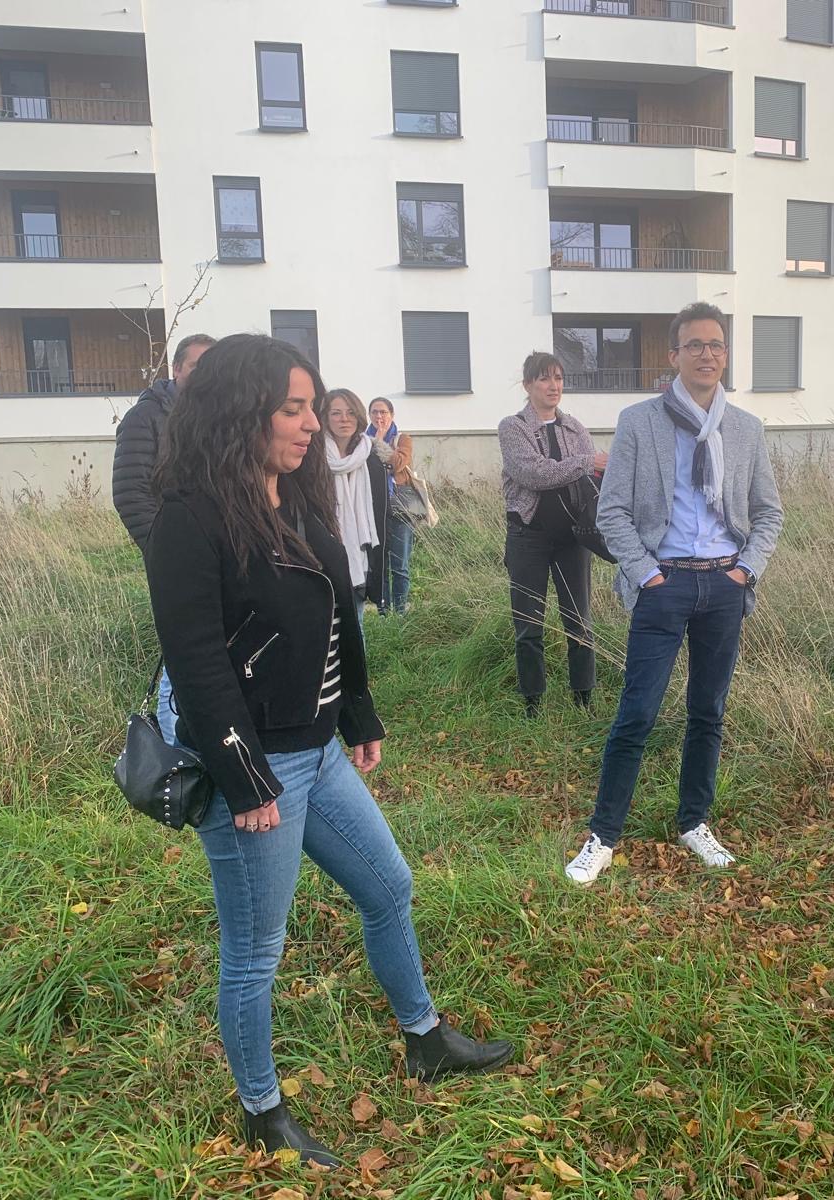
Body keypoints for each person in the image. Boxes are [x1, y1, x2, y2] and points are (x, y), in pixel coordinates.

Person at [142, 334, 513, 1167]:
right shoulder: (189, 517)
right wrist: (242, 778)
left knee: (389, 886)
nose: (313, 423)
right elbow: (197, 662)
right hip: (259, 771)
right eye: (294, 408)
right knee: (256, 951)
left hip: (320, 753)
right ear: (243, 412)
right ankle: (263, 1113)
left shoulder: (295, 497)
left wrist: (360, 713)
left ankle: (424, 1039)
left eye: (312, 407)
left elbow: (338, 612)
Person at [564, 303, 783, 886]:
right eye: (695, 345)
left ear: (726, 354)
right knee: (637, 712)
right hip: (664, 583)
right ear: (674, 355)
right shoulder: (640, 421)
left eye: (716, 344)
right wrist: (647, 574)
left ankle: (694, 822)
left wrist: (746, 571)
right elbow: (610, 512)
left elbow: (768, 514)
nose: (707, 354)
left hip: (724, 585)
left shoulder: (746, 429)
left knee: (708, 712)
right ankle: (604, 835)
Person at [112, 331, 215, 741]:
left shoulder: (216, 418)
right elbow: (129, 492)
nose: (205, 375)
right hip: (176, 559)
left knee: (211, 649)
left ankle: (209, 741)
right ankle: (177, 756)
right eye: (196, 366)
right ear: (176, 369)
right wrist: (164, 551)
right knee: (183, 652)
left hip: (216, 556)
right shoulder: (146, 417)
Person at [497, 353, 607, 717]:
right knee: (528, 623)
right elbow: (533, 473)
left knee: (580, 620)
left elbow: (591, 480)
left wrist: (594, 469)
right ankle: (532, 702)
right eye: (544, 379)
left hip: (573, 538)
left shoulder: (576, 428)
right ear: (528, 385)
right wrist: (585, 463)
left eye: (558, 378)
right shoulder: (513, 427)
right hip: (527, 537)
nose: (553, 386)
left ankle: (584, 698)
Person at [323, 388, 384, 605]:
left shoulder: (370, 456)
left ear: (358, 417)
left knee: (356, 621)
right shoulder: (313, 457)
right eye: (336, 413)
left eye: (350, 412)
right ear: (325, 418)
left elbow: (378, 509)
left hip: (360, 550)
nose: (344, 419)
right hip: (324, 548)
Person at [367, 397, 415, 615]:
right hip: (373, 508)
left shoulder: (402, 439)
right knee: (380, 564)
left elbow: (397, 463)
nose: (379, 417)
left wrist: (378, 442)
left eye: (384, 412)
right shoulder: (360, 442)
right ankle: (383, 612)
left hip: (401, 507)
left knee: (400, 565)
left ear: (392, 415)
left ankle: (401, 613)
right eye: (375, 412)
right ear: (369, 415)